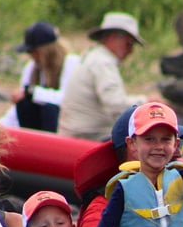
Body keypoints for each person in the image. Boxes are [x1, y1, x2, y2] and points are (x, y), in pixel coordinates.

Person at [58, 12, 156, 141]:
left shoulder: (93, 56)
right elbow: (115, 104)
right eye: (129, 44)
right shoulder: (103, 62)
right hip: (89, 137)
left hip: (77, 133)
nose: (131, 51)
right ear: (114, 37)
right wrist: (147, 103)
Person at [0, 22, 80, 132]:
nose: (30, 55)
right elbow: (19, 104)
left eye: (32, 51)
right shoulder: (32, 67)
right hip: (38, 125)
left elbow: (67, 99)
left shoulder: (71, 62)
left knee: (49, 109)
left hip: (66, 124)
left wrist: (32, 92)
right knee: (25, 105)